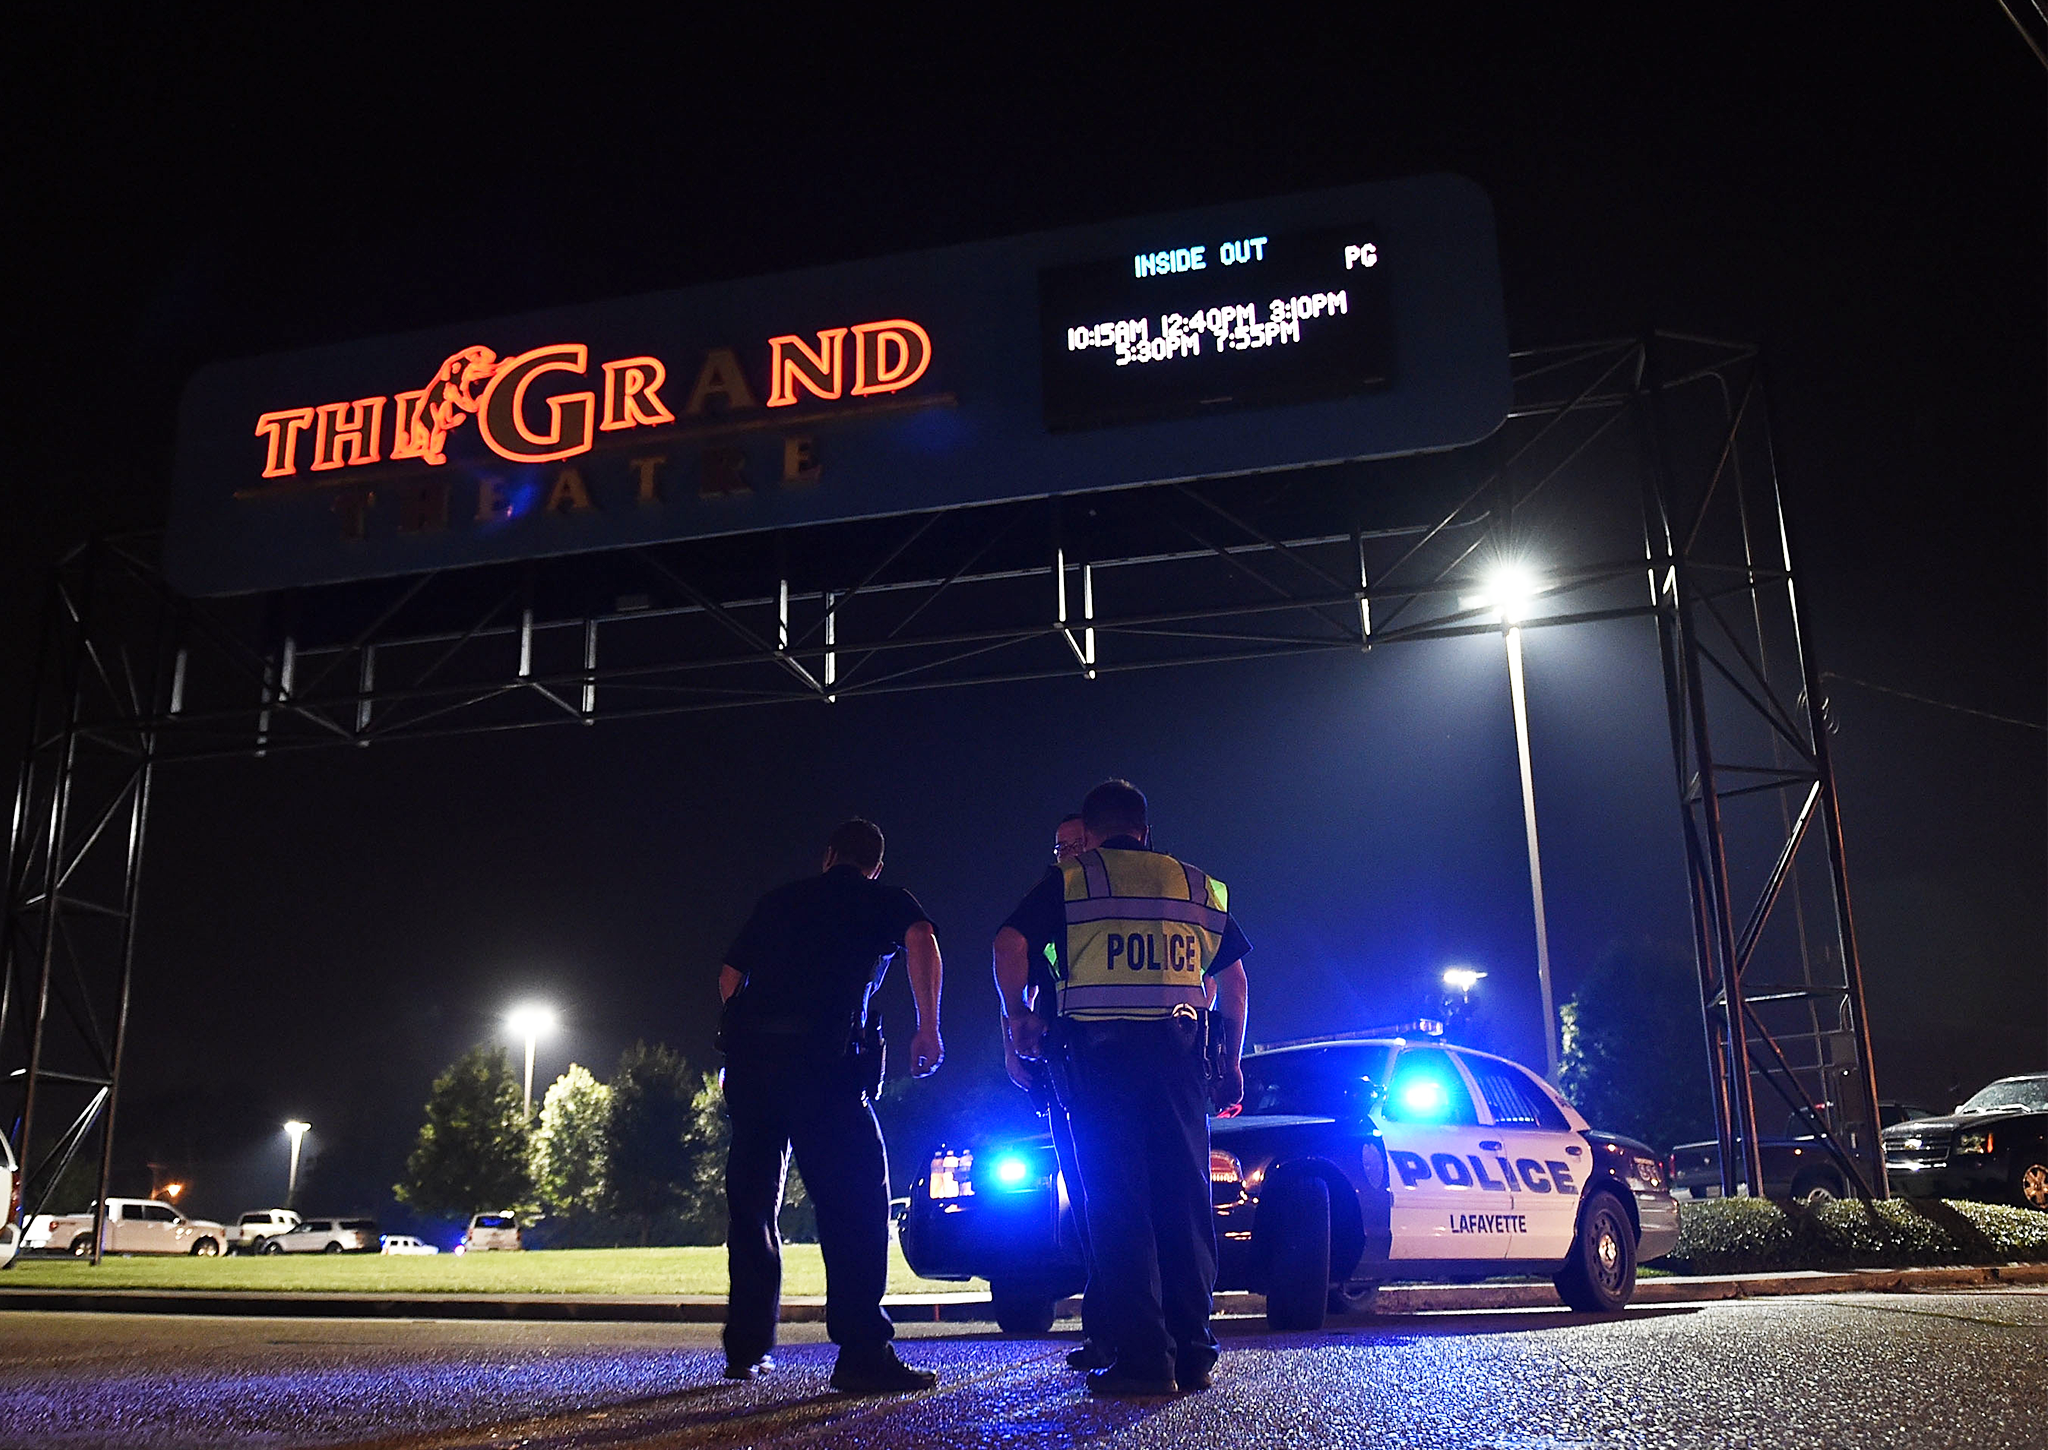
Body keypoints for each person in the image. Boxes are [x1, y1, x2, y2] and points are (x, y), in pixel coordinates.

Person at [993, 780, 1249, 1396]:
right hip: (1181, 1059)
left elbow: (1008, 942)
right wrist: (1230, 1060)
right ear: (1145, 828)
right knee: (1184, 1204)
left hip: (1102, 1066)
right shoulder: (1195, 884)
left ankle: (1143, 1359)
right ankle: (1194, 1349)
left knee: (1118, 1207)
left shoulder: (1076, 879)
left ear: (1093, 827)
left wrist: (1017, 1016)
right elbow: (1236, 982)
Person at [717, 818, 945, 1393]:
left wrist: (751, 1035)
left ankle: (746, 1347)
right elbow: (922, 939)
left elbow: (728, 977)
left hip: (754, 1070)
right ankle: (861, 1352)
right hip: (825, 1066)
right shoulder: (883, 899)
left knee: (752, 1204)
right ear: (875, 865)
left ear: (827, 857)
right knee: (858, 1202)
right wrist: (928, 1028)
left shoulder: (780, 899)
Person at [996, 811, 1108, 1370]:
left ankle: (1120, 1329)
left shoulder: (1089, 895)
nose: (1064, 853)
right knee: (1091, 1200)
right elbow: (1018, 966)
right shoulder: (1053, 893)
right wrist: (1014, 1037)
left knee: (1104, 1198)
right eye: (1058, 845)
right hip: (1071, 1063)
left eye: (1075, 843)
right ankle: (1113, 1326)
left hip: (1094, 1063)